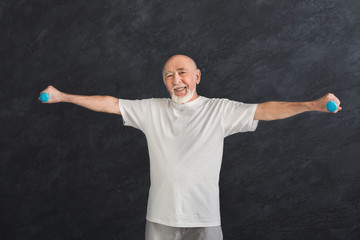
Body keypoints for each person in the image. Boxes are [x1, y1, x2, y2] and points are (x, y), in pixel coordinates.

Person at [39, 54, 342, 240]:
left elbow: (266, 110)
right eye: (169, 75)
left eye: (182, 72)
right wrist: (62, 96)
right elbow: (109, 104)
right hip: (160, 220)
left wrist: (313, 105)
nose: (176, 79)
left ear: (197, 76)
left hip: (205, 220)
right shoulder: (151, 109)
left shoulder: (219, 109)